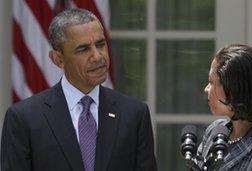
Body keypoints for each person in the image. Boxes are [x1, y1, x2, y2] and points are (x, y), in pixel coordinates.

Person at [1, 8, 157, 171]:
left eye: (100, 44)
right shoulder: (24, 119)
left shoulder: (134, 115)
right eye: (83, 49)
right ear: (58, 59)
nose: (97, 56)